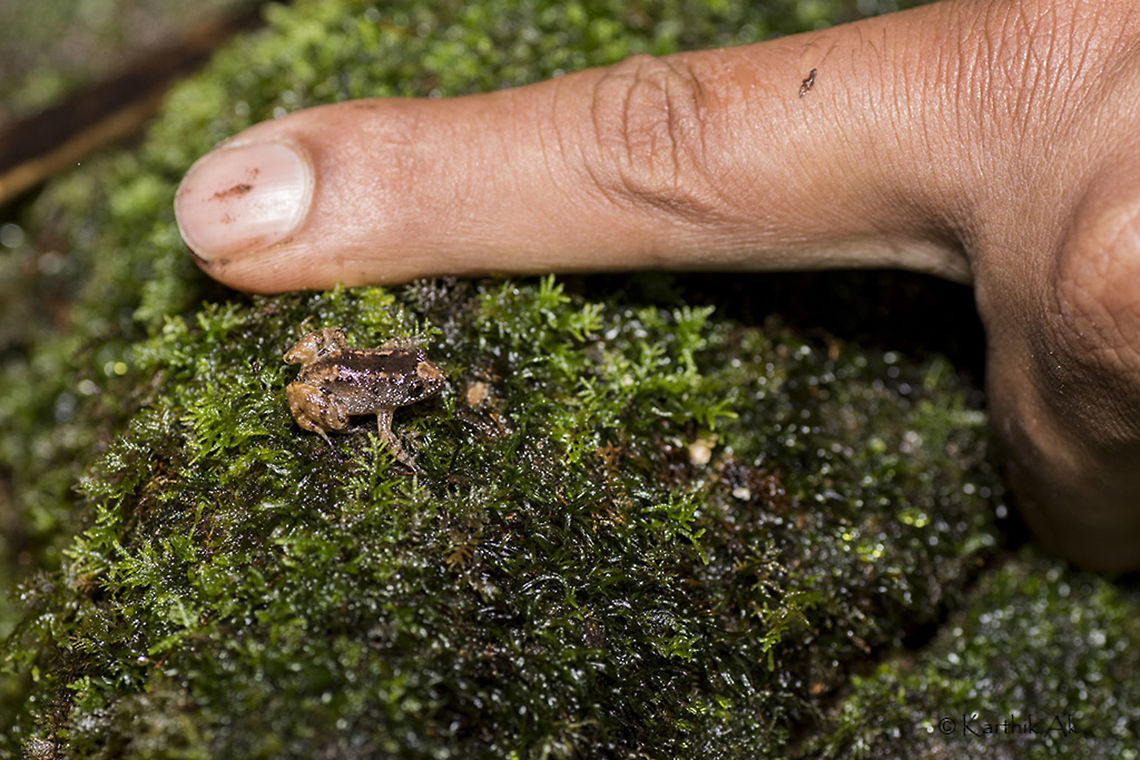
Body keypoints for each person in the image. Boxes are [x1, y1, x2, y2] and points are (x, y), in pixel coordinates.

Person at [172, 0, 1140, 573]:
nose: (423, 385)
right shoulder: (370, 397)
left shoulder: (408, 386)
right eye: (420, 383)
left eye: (422, 383)